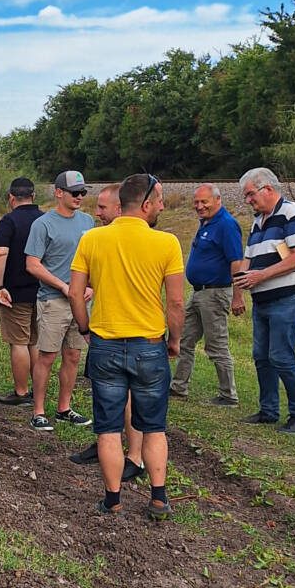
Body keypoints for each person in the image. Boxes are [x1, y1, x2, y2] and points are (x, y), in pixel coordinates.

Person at [69, 173, 185, 521]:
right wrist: (174, 340)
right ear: (146, 204)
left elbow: (76, 293)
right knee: (153, 427)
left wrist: (85, 328)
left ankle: (113, 500)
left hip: (105, 345)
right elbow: (176, 303)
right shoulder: (167, 244)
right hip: (150, 346)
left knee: (108, 428)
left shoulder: (92, 239)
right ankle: (159, 498)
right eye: (161, 200)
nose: (163, 206)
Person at [68, 183, 146, 481]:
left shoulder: (134, 239)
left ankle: (135, 456)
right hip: (106, 328)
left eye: (102, 207)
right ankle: (106, 443)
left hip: (130, 332)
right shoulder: (99, 239)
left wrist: (84, 324)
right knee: (106, 393)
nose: (96, 212)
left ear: (119, 207)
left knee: (129, 395)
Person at [233, 167, 295, 434]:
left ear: (267, 189)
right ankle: (269, 410)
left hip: (290, 297)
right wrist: (241, 280)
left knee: (281, 356)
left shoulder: (292, 213)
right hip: (264, 300)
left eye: (250, 195)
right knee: (261, 356)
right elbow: (249, 258)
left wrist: (261, 275)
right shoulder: (259, 221)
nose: (248, 201)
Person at [23, 170, 95, 431]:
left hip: (81, 302)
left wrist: (91, 287)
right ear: (58, 193)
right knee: (47, 356)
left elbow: (94, 261)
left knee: (73, 355)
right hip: (53, 300)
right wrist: (63, 286)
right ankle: (38, 411)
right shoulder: (43, 224)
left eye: (82, 193)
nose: (79, 197)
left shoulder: (88, 222)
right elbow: (32, 264)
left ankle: (64, 408)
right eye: (74, 192)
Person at [169, 184, 244, 405]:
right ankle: (178, 386)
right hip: (199, 292)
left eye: (204, 202)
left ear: (217, 200)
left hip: (215, 293)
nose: (200, 207)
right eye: (196, 202)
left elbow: (236, 261)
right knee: (185, 338)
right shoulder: (207, 223)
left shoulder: (227, 225)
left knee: (216, 345)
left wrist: (237, 296)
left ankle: (228, 395)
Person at [0, 177, 42, 403]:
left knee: (19, 341)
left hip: (15, 292)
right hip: (42, 290)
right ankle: (39, 391)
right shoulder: (46, 220)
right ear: (34, 196)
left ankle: (21, 392)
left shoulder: (8, 221)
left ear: (11, 198)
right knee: (35, 341)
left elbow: (0, 253)